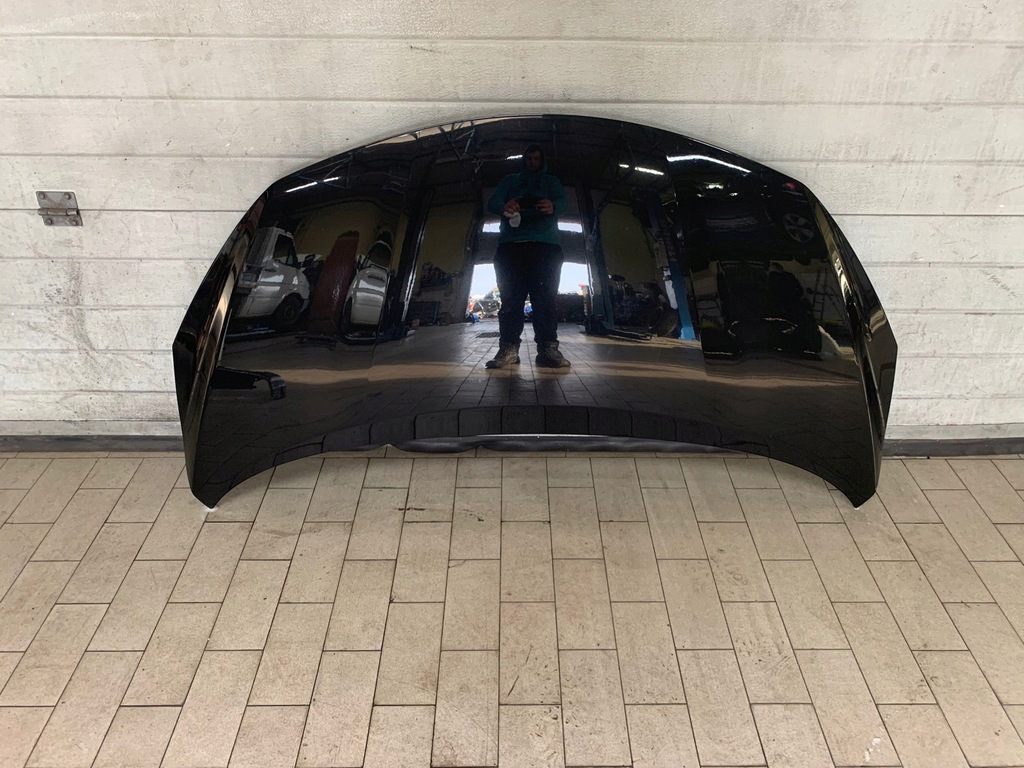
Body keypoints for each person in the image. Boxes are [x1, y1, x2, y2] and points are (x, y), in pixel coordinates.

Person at [484, 144, 571, 369]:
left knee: (545, 300)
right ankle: (508, 349)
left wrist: (553, 206)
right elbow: (493, 202)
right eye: (529, 158)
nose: (532, 162)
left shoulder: (551, 182)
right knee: (511, 300)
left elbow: (564, 202)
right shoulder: (510, 181)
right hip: (512, 246)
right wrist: (505, 205)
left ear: (542, 161)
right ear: (524, 160)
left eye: (536, 158)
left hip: (545, 247)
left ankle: (548, 349)